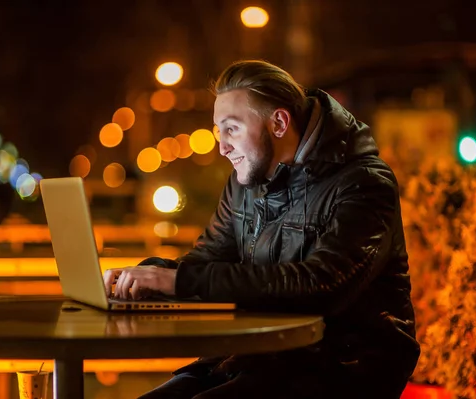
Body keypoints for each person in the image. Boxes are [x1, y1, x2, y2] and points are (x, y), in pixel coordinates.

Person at [103, 60, 420, 398]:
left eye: (232, 129)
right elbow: (208, 258)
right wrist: (151, 276)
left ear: (279, 122)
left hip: (344, 367)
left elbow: (323, 284)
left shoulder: (364, 182)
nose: (222, 146)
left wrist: (180, 280)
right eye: (218, 131)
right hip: (258, 357)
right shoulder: (247, 182)